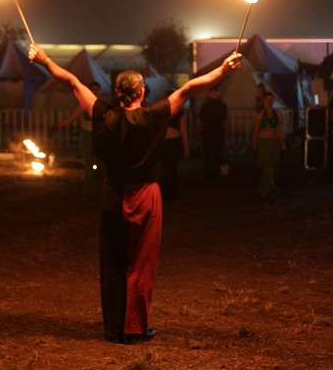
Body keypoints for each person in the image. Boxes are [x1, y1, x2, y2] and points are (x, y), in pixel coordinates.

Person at [29, 43, 242, 344]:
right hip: (144, 197)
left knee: (113, 262)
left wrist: (44, 59)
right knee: (141, 263)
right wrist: (223, 69)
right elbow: (191, 88)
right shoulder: (155, 115)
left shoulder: (102, 114)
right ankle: (134, 328)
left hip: (112, 195)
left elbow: (72, 82)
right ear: (140, 91)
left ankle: (114, 327)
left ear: (117, 93)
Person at [57, 81, 103, 198]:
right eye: (93, 89)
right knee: (88, 163)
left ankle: (99, 187)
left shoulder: (102, 105)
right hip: (87, 136)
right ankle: (90, 189)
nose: (95, 92)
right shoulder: (84, 104)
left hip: (99, 137)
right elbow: (72, 117)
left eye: (97, 89)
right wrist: (60, 124)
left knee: (101, 163)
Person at [251, 91, 285, 202]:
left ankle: (270, 188)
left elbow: (280, 130)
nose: (269, 102)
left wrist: (283, 144)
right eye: (267, 100)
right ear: (263, 101)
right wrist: (254, 147)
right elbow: (255, 131)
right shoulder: (259, 115)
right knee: (267, 167)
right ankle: (266, 191)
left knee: (274, 166)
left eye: (271, 100)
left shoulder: (278, 115)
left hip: (274, 142)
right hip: (263, 142)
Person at [197, 86, 228, 183]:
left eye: (215, 92)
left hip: (217, 133)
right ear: (210, 93)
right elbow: (201, 121)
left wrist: (226, 136)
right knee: (208, 155)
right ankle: (209, 176)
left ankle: (213, 175)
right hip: (209, 133)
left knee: (216, 154)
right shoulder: (206, 105)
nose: (214, 94)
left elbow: (225, 122)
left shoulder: (221, 105)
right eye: (213, 92)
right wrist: (198, 135)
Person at [159, 106, 189, 200]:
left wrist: (186, 148)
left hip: (174, 142)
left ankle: (171, 194)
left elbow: (183, 131)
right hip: (165, 142)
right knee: (165, 168)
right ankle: (165, 194)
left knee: (171, 168)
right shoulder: (161, 113)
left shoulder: (179, 113)